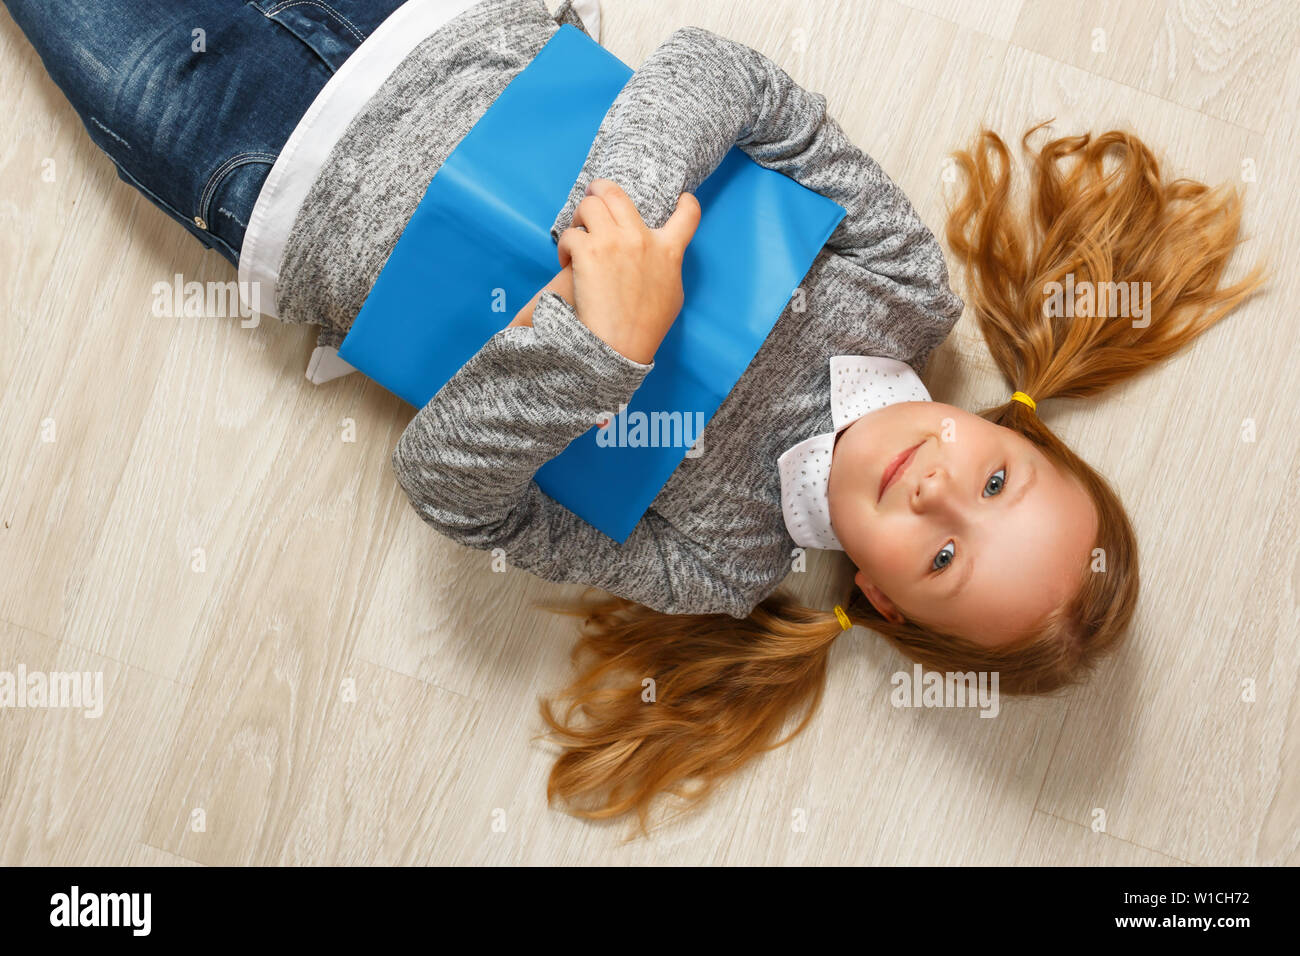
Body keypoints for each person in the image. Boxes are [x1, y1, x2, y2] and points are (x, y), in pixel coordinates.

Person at [5, 0, 1265, 833]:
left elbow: (450, 490)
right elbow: (722, 76)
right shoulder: (897, 290)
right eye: (996, 485)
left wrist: (602, 345)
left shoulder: (721, 562)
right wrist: (616, 212)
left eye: (943, 558)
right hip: (431, 22)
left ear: (880, 598)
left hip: (260, 165)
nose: (939, 494)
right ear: (1014, 432)